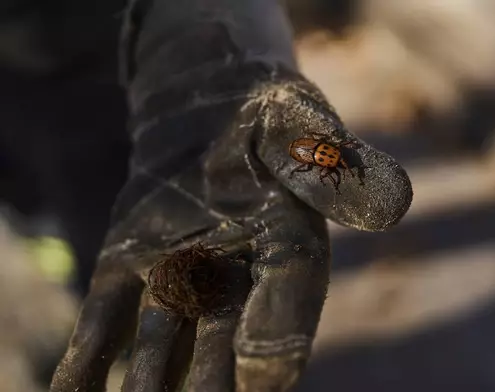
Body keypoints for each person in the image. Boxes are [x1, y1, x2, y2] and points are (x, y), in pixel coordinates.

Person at [0, 0, 412, 390]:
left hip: (118, 44)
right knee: (44, 196)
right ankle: (49, 236)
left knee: (100, 219)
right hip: (22, 87)